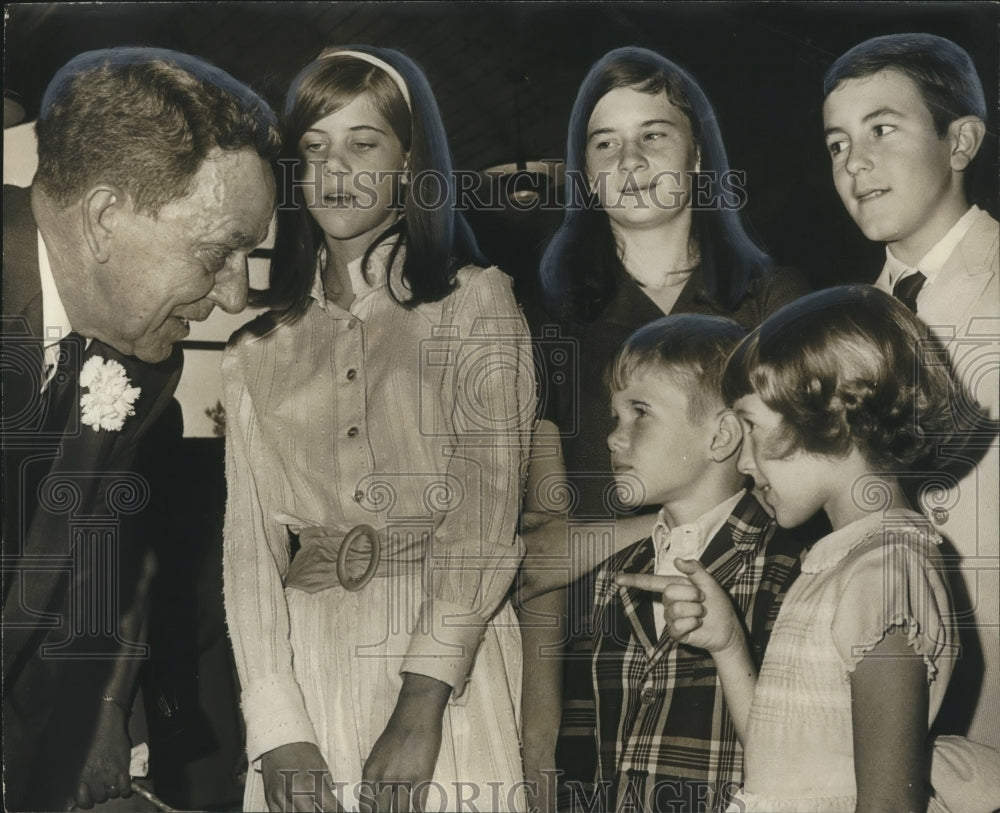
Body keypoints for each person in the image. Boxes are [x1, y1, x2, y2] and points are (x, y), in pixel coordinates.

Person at [221, 46, 534, 813]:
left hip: (444, 669)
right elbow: (248, 555)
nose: (335, 170)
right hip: (308, 661)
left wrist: (421, 704)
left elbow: (486, 516)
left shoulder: (475, 304)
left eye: (364, 143)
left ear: (409, 161)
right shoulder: (256, 349)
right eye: (314, 148)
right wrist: (276, 728)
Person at [519, 46, 811, 805]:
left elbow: (801, 498)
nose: (631, 159)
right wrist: (537, 727)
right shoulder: (545, 323)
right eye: (604, 141)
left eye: (655, 134)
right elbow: (534, 555)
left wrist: (609, 538)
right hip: (596, 664)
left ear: (699, 151)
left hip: (750, 644)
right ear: (582, 169)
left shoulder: (773, 302)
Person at [1, 47, 279, 811]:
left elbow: (82, 551)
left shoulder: (146, 366)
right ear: (102, 219)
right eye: (220, 251)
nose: (232, 295)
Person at [630, 286, 962, 811]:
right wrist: (728, 644)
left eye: (753, 427)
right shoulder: (842, 560)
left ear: (831, 416)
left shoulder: (886, 571)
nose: (743, 462)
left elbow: (889, 804)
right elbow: (779, 765)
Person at [822, 33, 1000, 758]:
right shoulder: (840, 328)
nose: (854, 162)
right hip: (888, 706)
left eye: (881, 130)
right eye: (836, 144)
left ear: (960, 141)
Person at [581, 314, 802, 812]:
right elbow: (589, 748)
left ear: (721, 437)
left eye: (641, 413)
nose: (615, 438)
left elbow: (799, 751)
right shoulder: (614, 575)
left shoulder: (787, 568)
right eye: (616, 417)